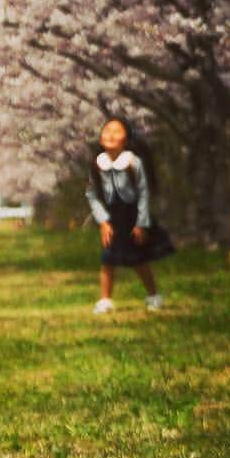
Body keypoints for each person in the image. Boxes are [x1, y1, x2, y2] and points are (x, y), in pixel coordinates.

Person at [86, 115, 174, 315]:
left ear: (126, 139)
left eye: (117, 131)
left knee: (138, 259)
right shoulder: (97, 164)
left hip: (132, 215)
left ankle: (153, 295)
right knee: (107, 259)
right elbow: (91, 194)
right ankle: (105, 298)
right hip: (111, 216)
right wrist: (103, 221)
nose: (111, 135)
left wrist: (141, 223)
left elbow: (143, 193)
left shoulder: (133, 163)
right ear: (100, 139)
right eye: (107, 131)